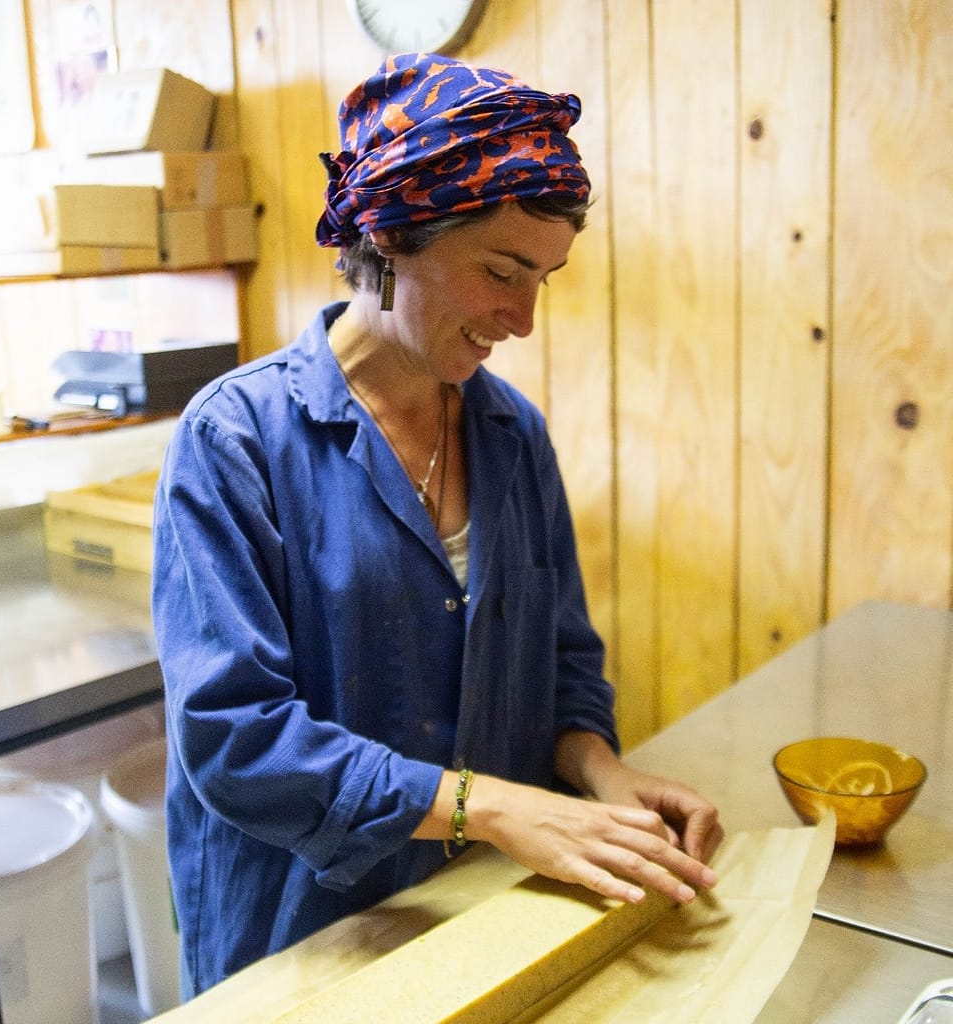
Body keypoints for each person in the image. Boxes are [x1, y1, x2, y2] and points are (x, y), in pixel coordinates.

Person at [152, 51, 724, 998]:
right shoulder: (236, 442)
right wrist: (492, 808)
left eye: (545, 277)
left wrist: (599, 770)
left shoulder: (511, 435)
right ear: (390, 236)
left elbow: (563, 666)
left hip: (478, 920)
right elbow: (235, 739)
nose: (524, 318)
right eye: (503, 271)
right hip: (301, 946)